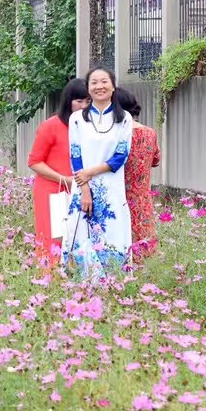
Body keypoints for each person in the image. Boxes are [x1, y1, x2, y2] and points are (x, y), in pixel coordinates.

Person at [63, 68, 133, 278]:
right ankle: (80, 284)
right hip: (82, 187)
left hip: (111, 188)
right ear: (88, 88)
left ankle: (113, 282)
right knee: (81, 233)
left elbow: (120, 156)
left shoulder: (124, 119)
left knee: (112, 233)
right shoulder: (77, 119)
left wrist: (90, 172)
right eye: (94, 82)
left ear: (113, 86)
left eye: (104, 82)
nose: (99, 86)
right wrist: (84, 188)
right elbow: (75, 156)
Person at [27, 78, 91, 264]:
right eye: (79, 101)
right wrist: (64, 179)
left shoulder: (89, 127)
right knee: (54, 237)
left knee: (81, 237)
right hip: (53, 190)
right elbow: (34, 162)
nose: (83, 106)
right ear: (68, 101)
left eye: (88, 102)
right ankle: (50, 279)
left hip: (81, 189)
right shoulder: (51, 126)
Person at [116, 88, 162, 260]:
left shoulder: (117, 134)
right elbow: (156, 159)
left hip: (119, 198)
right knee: (144, 248)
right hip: (143, 199)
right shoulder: (150, 133)